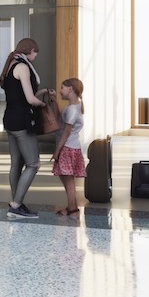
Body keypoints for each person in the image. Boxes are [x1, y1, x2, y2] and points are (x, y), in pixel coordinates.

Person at [1, 38, 44, 219]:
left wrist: (42, 92)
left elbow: (19, 94)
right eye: (35, 53)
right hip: (22, 122)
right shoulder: (24, 67)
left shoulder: (10, 65)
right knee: (33, 164)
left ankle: (16, 203)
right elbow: (30, 99)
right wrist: (42, 104)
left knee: (16, 165)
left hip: (10, 120)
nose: (35, 56)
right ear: (31, 50)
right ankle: (16, 205)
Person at [52, 78, 86, 217]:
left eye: (62, 88)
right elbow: (60, 118)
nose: (60, 91)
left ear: (70, 89)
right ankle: (72, 207)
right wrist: (54, 101)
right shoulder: (74, 106)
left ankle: (73, 210)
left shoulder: (72, 109)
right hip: (72, 147)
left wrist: (57, 151)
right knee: (66, 178)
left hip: (67, 147)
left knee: (69, 180)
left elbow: (66, 132)